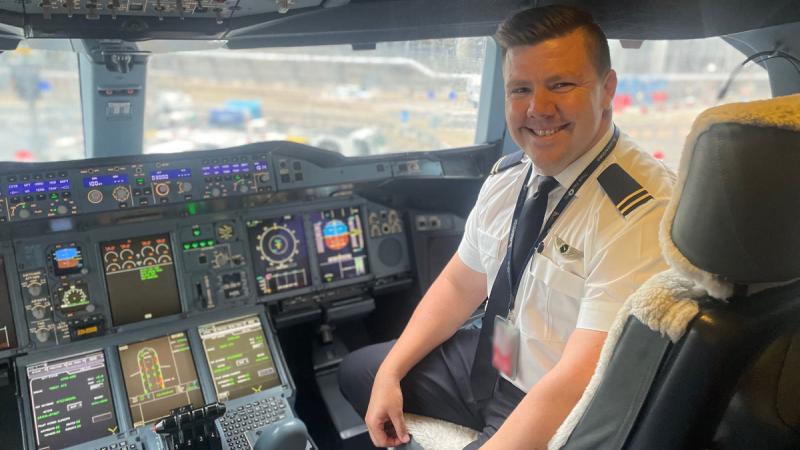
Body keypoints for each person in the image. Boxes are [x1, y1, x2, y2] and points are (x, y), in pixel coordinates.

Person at [338, 5, 675, 449]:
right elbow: (462, 283)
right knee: (359, 373)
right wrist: (390, 373)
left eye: (561, 84)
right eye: (520, 89)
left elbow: (578, 380)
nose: (538, 109)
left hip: (555, 400)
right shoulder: (511, 175)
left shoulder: (641, 212)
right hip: (497, 359)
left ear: (607, 88)